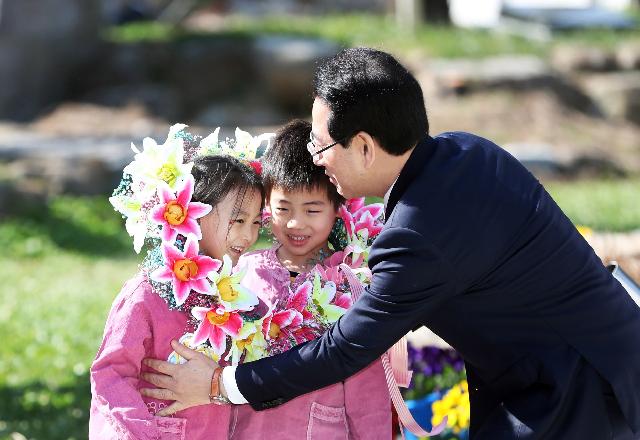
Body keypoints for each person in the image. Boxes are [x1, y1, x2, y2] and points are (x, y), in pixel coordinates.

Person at [141, 48, 640, 439]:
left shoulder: (417, 237)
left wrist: (219, 385)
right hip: (602, 355)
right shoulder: (466, 150)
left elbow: (345, 349)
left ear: (363, 146)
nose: (316, 160)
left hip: (573, 388)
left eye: (320, 145)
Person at [229, 119, 390, 439]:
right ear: (266, 206)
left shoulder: (350, 285)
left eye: (312, 210)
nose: (295, 223)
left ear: (337, 208)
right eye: (283, 208)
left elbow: (366, 386)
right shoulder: (241, 273)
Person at [90, 155, 264, 439]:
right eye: (239, 220)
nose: (248, 235)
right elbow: (112, 375)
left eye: (257, 222)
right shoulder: (145, 295)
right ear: (193, 213)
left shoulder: (236, 299)